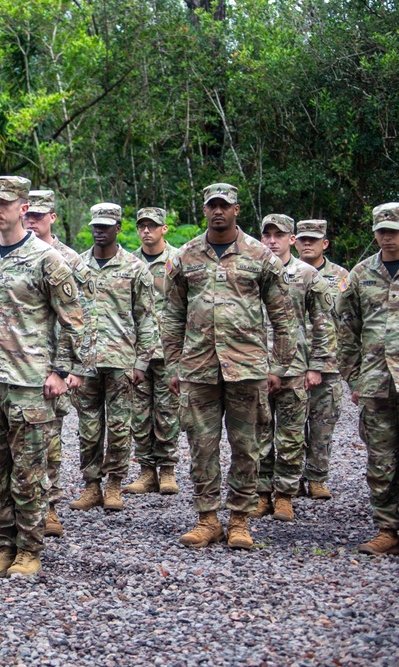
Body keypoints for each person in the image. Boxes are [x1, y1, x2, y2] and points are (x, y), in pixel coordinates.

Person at [162, 182, 295, 551]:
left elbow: (283, 315)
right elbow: (171, 314)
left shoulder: (260, 255)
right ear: (203, 210)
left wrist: (279, 367)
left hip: (248, 368)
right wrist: (174, 364)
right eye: (212, 206)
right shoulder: (186, 255)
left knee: (247, 446)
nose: (218, 211)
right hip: (199, 368)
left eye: (225, 205)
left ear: (237, 209)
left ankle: (239, 520)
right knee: (201, 446)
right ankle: (207, 519)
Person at [0, 176, 87, 578]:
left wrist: (62, 371)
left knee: (29, 472)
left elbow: (75, 321)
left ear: (24, 208)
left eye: (5, 203)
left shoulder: (46, 259)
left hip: (30, 383)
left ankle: (29, 551)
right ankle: (3, 546)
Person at [68, 203, 158, 513]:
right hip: (85, 363)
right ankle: (91, 485)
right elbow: (66, 316)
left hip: (121, 361)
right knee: (88, 429)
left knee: (120, 428)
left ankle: (114, 485)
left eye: (106, 225)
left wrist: (142, 362)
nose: (99, 230)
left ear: (118, 228)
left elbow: (147, 318)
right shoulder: (76, 267)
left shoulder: (135, 268)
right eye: (95, 225)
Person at [23, 189, 96, 535]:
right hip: (19, 364)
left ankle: (49, 507)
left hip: (57, 364)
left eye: (39, 216)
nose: (32, 222)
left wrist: (77, 367)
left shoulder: (71, 259)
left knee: (51, 439)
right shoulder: (14, 255)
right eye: (28, 216)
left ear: (52, 217)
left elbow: (87, 316)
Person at [255, 215, 335, 522]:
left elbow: (323, 323)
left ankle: (285, 495)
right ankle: (261, 493)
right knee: (258, 435)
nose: (272, 240)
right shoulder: (251, 270)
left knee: (290, 437)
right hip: (257, 367)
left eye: (280, 234)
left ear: (292, 239)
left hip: (295, 368)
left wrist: (317, 366)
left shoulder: (307, 274)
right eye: (267, 234)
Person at [337, 202, 399, 556]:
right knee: (381, 460)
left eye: (394, 230)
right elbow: (346, 329)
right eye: (382, 231)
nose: (387, 237)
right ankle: (387, 529)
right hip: (376, 383)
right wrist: (354, 377)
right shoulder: (361, 274)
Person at [126, 207, 182, 496]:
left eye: (152, 226)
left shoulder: (178, 259)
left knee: (167, 411)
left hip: (168, 350)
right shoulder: (129, 262)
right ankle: (146, 470)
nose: (146, 231)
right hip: (137, 352)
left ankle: (168, 469)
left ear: (164, 229)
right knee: (139, 413)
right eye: (142, 226)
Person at [294, 219, 350, 499]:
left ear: (324, 244)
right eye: (302, 239)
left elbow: (349, 319)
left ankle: (316, 477)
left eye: (313, 240)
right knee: (289, 427)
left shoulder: (340, 275)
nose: (307, 244)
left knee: (323, 423)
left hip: (327, 364)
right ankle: (289, 480)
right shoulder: (285, 272)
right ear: (294, 241)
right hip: (291, 361)